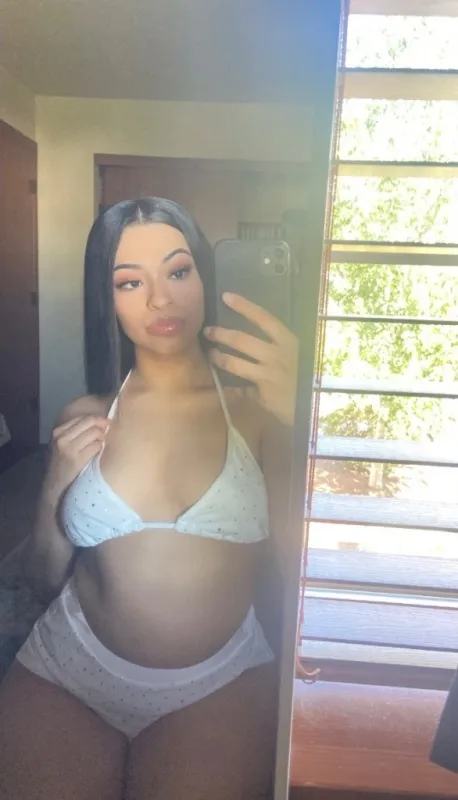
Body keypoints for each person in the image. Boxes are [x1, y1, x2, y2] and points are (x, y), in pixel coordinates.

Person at [0, 197, 298, 800]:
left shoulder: (259, 413)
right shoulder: (85, 415)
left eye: (178, 271)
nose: (161, 300)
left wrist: (306, 415)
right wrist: (55, 483)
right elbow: (41, 577)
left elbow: (304, 565)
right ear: (106, 299)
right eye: (130, 282)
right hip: (68, 669)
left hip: (219, 683)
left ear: (205, 278)